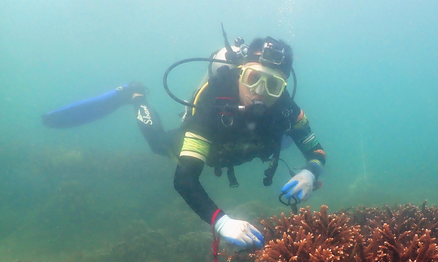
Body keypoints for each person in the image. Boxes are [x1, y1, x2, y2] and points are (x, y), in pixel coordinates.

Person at [42, 36, 326, 249]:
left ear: (283, 88)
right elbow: (185, 181)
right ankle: (134, 96)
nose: (259, 93)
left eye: (273, 85)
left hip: (244, 148)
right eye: (253, 78)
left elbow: (316, 151)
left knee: (284, 141)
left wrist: (310, 172)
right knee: (158, 144)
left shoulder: (286, 109)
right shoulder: (212, 104)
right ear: (240, 72)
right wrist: (221, 221)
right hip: (210, 142)